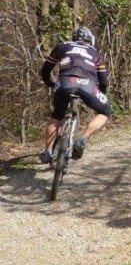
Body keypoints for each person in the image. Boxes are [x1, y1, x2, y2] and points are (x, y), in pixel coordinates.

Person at [39, 26, 112, 164]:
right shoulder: (94, 52)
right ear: (90, 40)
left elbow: (45, 70)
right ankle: (83, 139)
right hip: (87, 85)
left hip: (65, 82)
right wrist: (102, 92)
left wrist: (51, 83)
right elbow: (103, 79)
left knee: (57, 115)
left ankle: (47, 151)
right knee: (105, 111)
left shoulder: (62, 46)